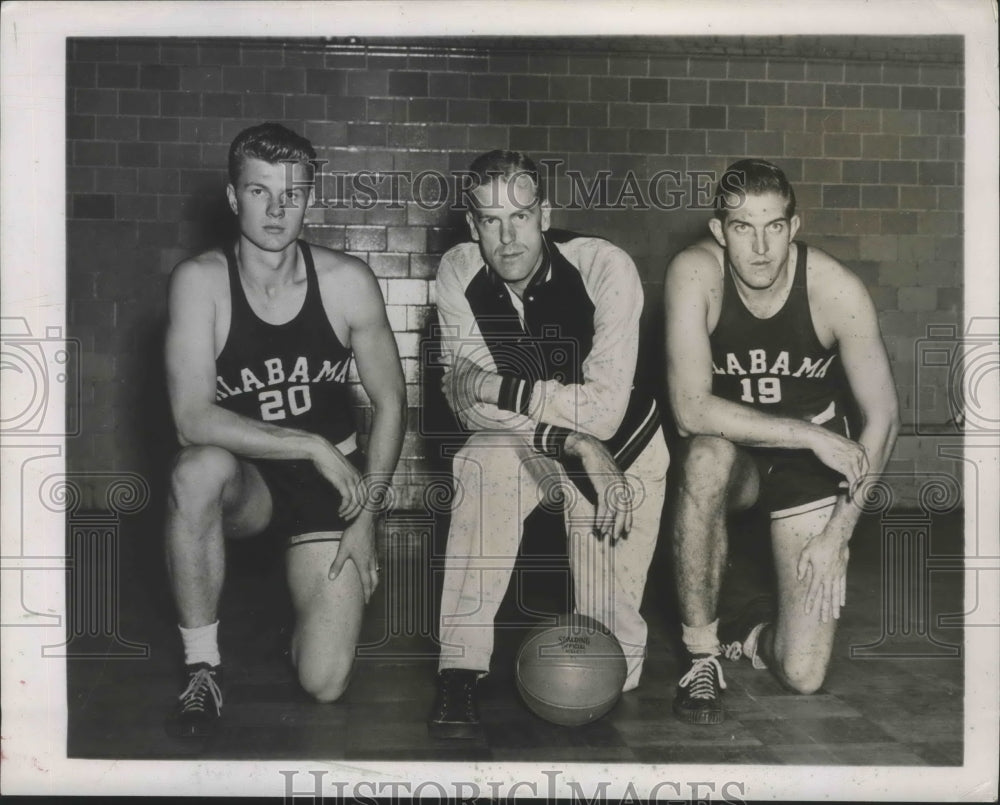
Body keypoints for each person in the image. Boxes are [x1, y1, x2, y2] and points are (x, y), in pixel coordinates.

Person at [163, 123, 406, 738]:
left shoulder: (348, 281)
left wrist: (368, 518)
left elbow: (391, 401)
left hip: (334, 485)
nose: (276, 209)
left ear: (309, 198)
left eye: (292, 194)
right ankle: (203, 668)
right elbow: (191, 420)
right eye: (259, 191)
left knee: (325, 685)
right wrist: (308, 443)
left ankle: (293, 618)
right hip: (249, 481)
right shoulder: (201, 282)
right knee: (196, 472)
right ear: (231, 196)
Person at [428, 150, 669, 739]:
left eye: (520, 217)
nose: (507, 238)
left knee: (609, 668)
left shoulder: (605, 267)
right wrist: (565, 435)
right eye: (489, 221)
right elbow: (466, 402)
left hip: (626, 453)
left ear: (545, 214)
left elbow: (608, 412)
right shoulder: (458, 270)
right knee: (483, 459)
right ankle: (459, 667)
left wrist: (502, 387)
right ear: (471, 226)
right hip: (533, 446)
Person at [663, 159, 899, 725]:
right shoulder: (695, 274)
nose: (762, 246)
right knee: (704, 459)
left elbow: (884, 417)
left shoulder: (835, 288)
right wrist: (807, 434)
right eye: (744, 226)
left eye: (775, 226)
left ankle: (753, 628)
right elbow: (690, 410)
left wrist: (840, 531)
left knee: (803, 675)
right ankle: (701, 656)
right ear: (720, 232)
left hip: (809, 472)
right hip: (738, 455)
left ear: (795, 227)